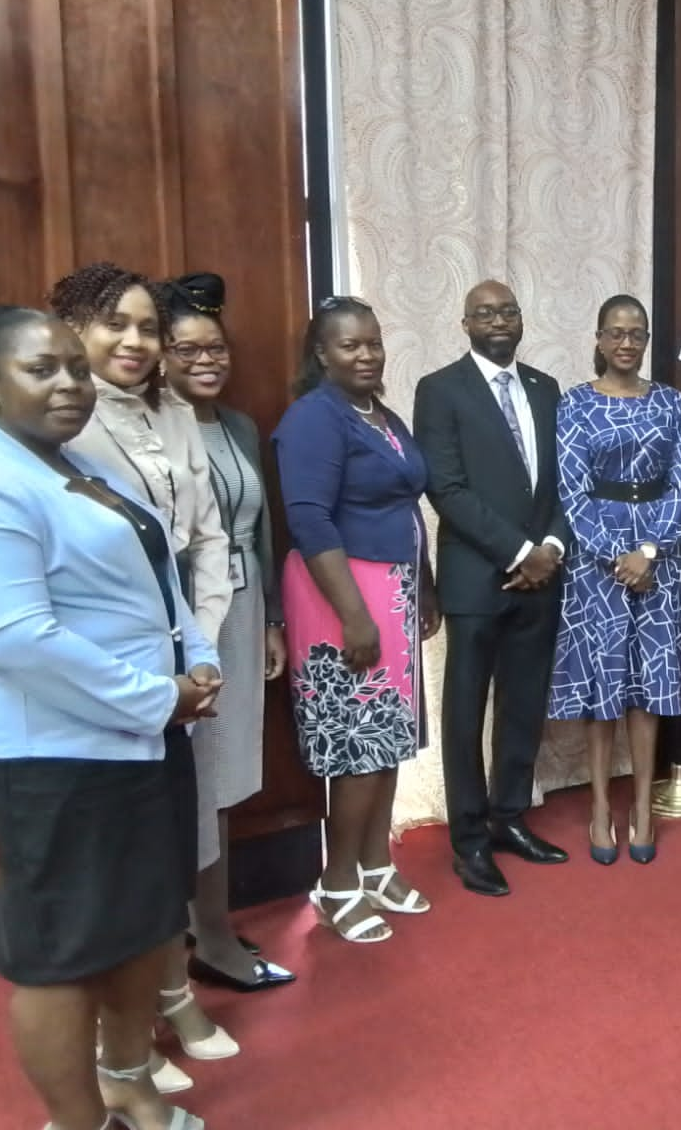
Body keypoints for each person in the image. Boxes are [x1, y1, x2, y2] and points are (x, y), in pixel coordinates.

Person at [0, 306, 215, 1130]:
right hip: (55, 760)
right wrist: (160, 696)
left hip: (149, 741)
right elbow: (18, 641)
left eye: (74, 370)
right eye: (40, 370)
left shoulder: (84, 469)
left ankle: (129, 1081)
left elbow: (164, 582)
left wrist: (198, 657)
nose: (68, 385)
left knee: (142, 926)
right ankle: (77, 1120)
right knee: (59, 956)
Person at [48, 262, 236, 1083]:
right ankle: (109, 1038)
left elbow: (206, 537)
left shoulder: (174, 412)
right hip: (104, 670)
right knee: (116, 859)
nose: (134, 342)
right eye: (113, 326)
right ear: (72, 335)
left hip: (183, 657)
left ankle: (169, 992)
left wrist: (202, 650)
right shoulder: (60, 422)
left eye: (146, 328)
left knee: (169, 848)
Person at [273, 297, 441, 943]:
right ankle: (336, 883)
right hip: (340, 594)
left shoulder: (381, 417)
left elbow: (406, 508)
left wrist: (421, 588)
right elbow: (310, 519)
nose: (367, 354)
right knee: (356, 748)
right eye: (350, 345)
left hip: (392, 589)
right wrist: (355, 616)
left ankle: (375, 866)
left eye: (373, 342)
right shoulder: (314, 418)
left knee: (389, 741)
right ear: (322, 353)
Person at [156, 273, 295, 991]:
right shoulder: (149, 431)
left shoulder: (238, 427)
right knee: (197, 780)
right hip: (184, 625)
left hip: (240, 616)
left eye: (217, 348)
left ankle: (201, 918)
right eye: (188, 349)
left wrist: (272, 617)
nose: (207, 361)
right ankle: (206, 934)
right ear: (159, 355)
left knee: (226, 775)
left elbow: (261, 529)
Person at [413, 279, 570, 898]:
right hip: (478, 577)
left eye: (508, 310)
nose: (498, 320)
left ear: (521, 319)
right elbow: (445, 489)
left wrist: (551, 549)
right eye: (485, 312)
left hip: (542, 578)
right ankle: (470, 841)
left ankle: (510, 818)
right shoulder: (440, 389)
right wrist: (520, 551)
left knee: (524, 703)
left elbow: (562, 482)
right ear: (465, 323)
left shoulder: (544, 388)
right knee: (466, 711)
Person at [547, 294, 681, 865]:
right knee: (604, 686)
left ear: (647, 339)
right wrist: (617, 555)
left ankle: (644, 809)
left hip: (660, 559)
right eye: (616, 333)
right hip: (595, 562)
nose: (627, 342)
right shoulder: (575, 405)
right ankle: (601, 808)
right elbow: (570, 490)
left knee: (648, 688)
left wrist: (649, 552)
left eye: (637, 333)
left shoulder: (672, 403)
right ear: (600, 340)